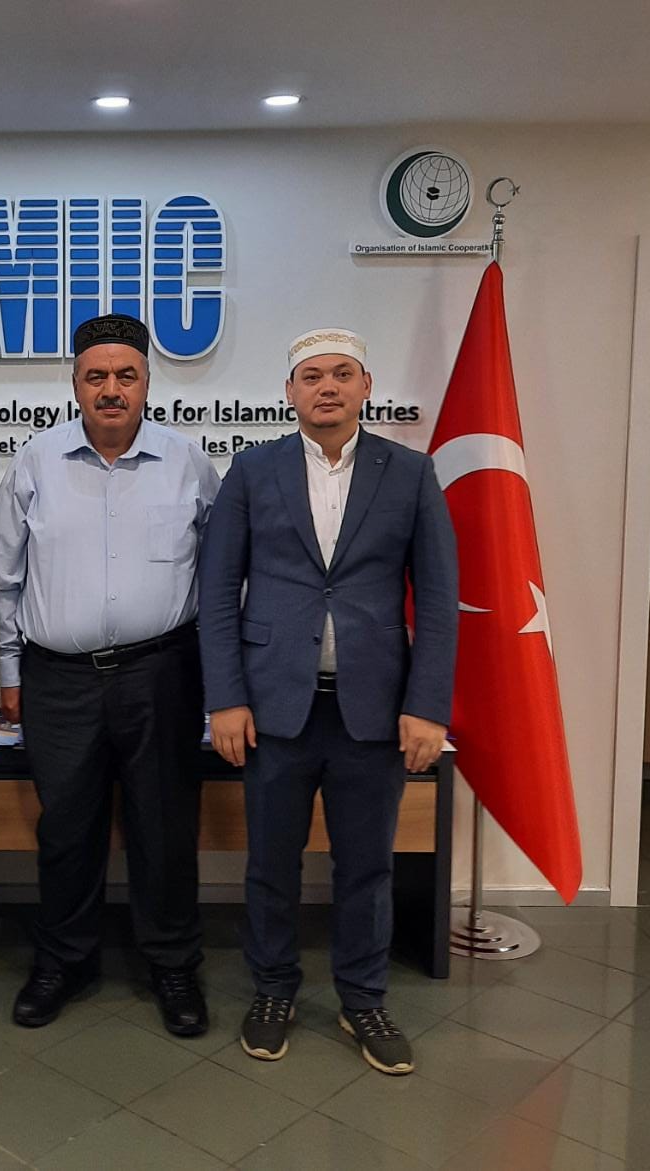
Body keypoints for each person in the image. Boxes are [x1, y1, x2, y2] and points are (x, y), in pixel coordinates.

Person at [198, 328, 458, 1075]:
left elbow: (439, 598)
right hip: (275, 709)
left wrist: (427, 705)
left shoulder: (410, 472)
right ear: (290, 391)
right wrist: (225, 698)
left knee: (367, 867)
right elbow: (217, 591)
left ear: (366, 385)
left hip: (372, 710)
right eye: (312, 376)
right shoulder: (253, 470)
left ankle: (363, 998)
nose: (328, 387)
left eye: (342, 374)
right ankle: (273, 990)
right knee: (271, 865)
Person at [0, 313, 221, 1037]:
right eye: (96, 376)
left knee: (164, 826)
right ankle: (64, 960)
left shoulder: (189, 465)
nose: (111, 389)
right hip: (58, 681)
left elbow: (221, 579)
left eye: (126, 375)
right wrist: (7, 671)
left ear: (148, 381)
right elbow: (3, 581)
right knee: (67, 829)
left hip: (164, 673)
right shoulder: (35, 463)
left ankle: (172, 962)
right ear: (75, 383)